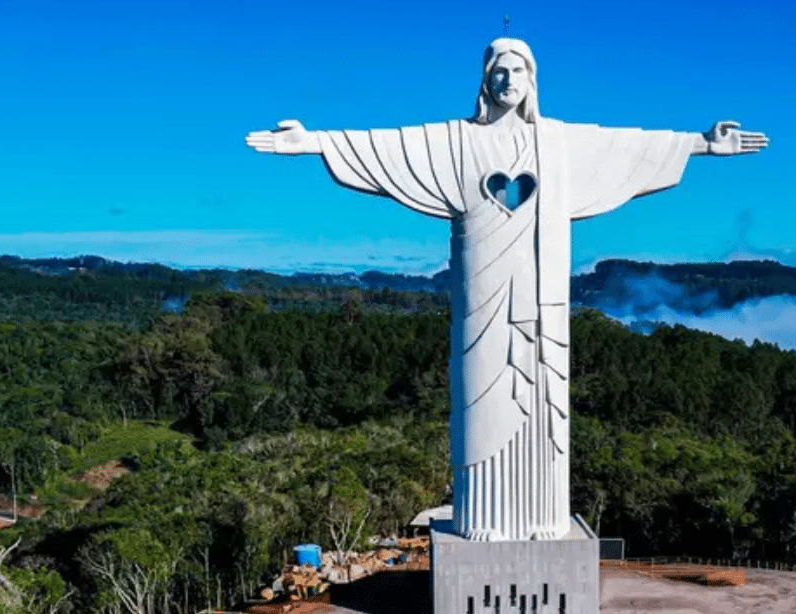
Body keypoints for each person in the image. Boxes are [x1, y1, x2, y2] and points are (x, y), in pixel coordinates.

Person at [245, 37, 768, 541]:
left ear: (533, 79)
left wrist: (702, 144)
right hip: (482, 303)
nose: (508, 78)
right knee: (481, 399)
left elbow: (627, 146)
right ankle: (483, 518)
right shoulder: (456, 141)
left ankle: (544, 517)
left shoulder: (559, 142)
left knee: (544, 400)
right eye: (498, 69)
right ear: (483, 78)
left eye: (518, 69)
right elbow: (392, 145)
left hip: (544, 306)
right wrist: (313, 142)